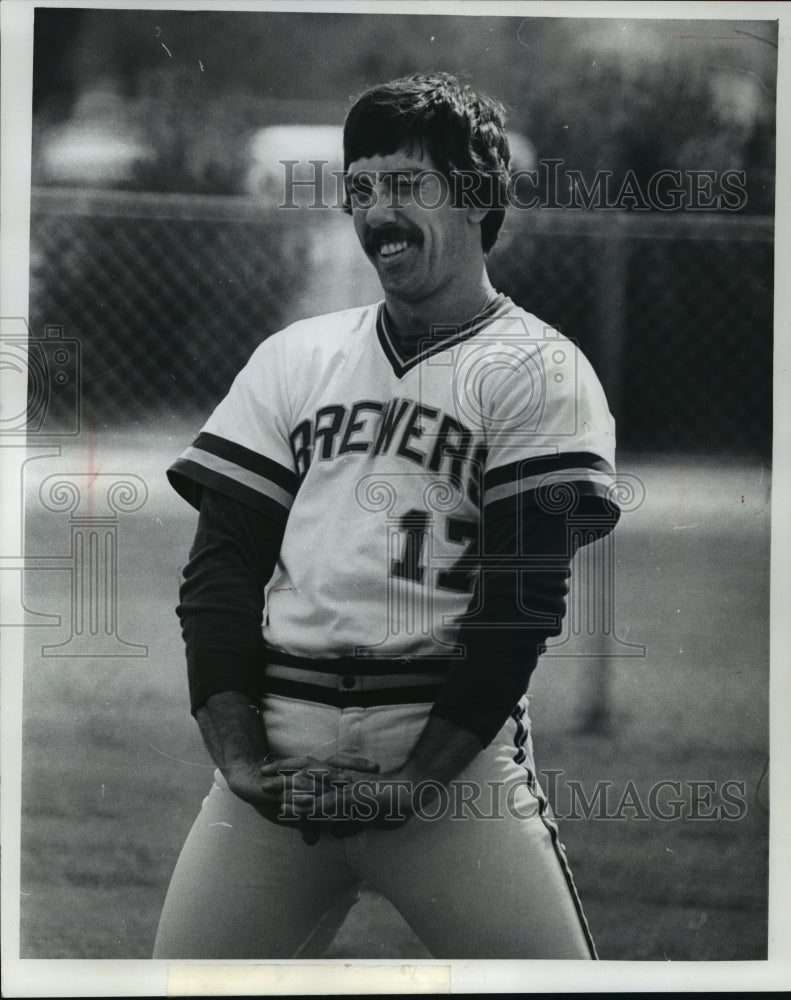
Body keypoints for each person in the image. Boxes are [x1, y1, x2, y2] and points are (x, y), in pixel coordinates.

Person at [154, 72, 620, 960]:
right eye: (361, 188)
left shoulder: (541, 368)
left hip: (455, 779)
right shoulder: (296, 357)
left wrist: (417, 779)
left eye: (404, 184)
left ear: (476, 196)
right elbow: (219, 575)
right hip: (283, 761)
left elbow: (519, 601)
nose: (376, 212)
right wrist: (241, 761)